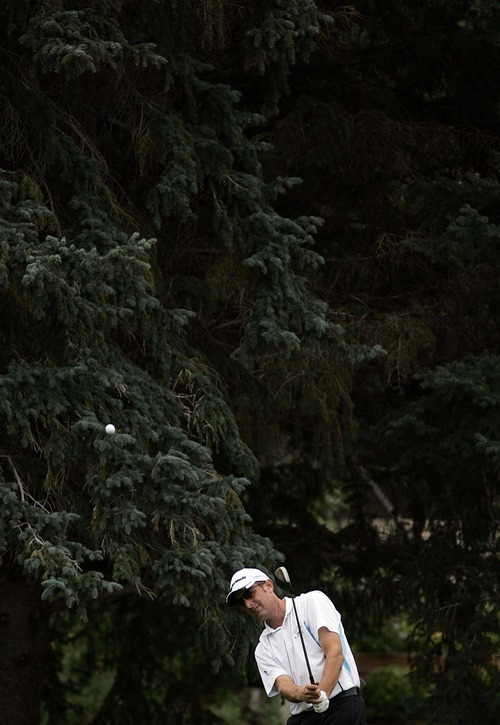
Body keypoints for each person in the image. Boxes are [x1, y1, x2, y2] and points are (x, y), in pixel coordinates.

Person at [226, 567, 366, 724]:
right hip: (303, 718)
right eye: (241, 602)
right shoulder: (262, 648)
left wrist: (322, 694)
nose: (248, 604)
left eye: (249, 593)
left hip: (341, 706)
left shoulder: (312, 602)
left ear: (268, 586)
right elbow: (283, 684)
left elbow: (335, 652)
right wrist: (301, 693)